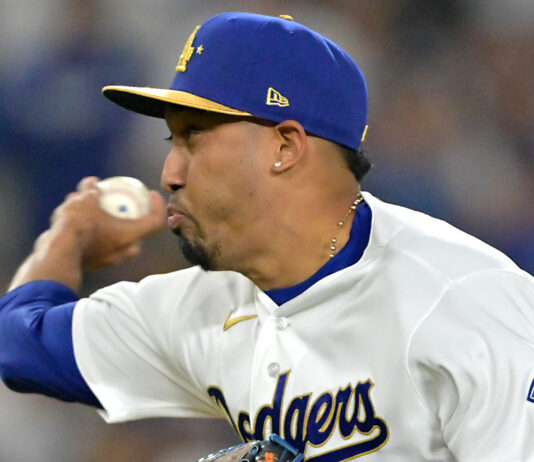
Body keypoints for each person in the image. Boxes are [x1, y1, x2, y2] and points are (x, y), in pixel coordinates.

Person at [0, 12, 533, 461]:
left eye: (193, 137)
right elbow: (17, 345)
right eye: (170, 141)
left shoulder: (466, 300)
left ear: (285, 146)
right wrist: (66, 237)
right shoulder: (202, 305)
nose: (169, 174)